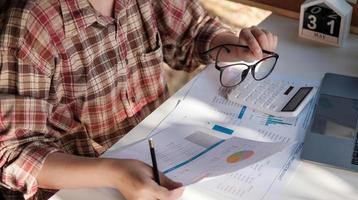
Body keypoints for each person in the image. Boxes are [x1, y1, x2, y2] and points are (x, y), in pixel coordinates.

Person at [0, 0, 278, 199]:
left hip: (165, 161)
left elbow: (194, 32)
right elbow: (16, 153)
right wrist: (115, 173)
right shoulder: (33, 21)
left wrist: (234, 46)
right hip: (87, 184)